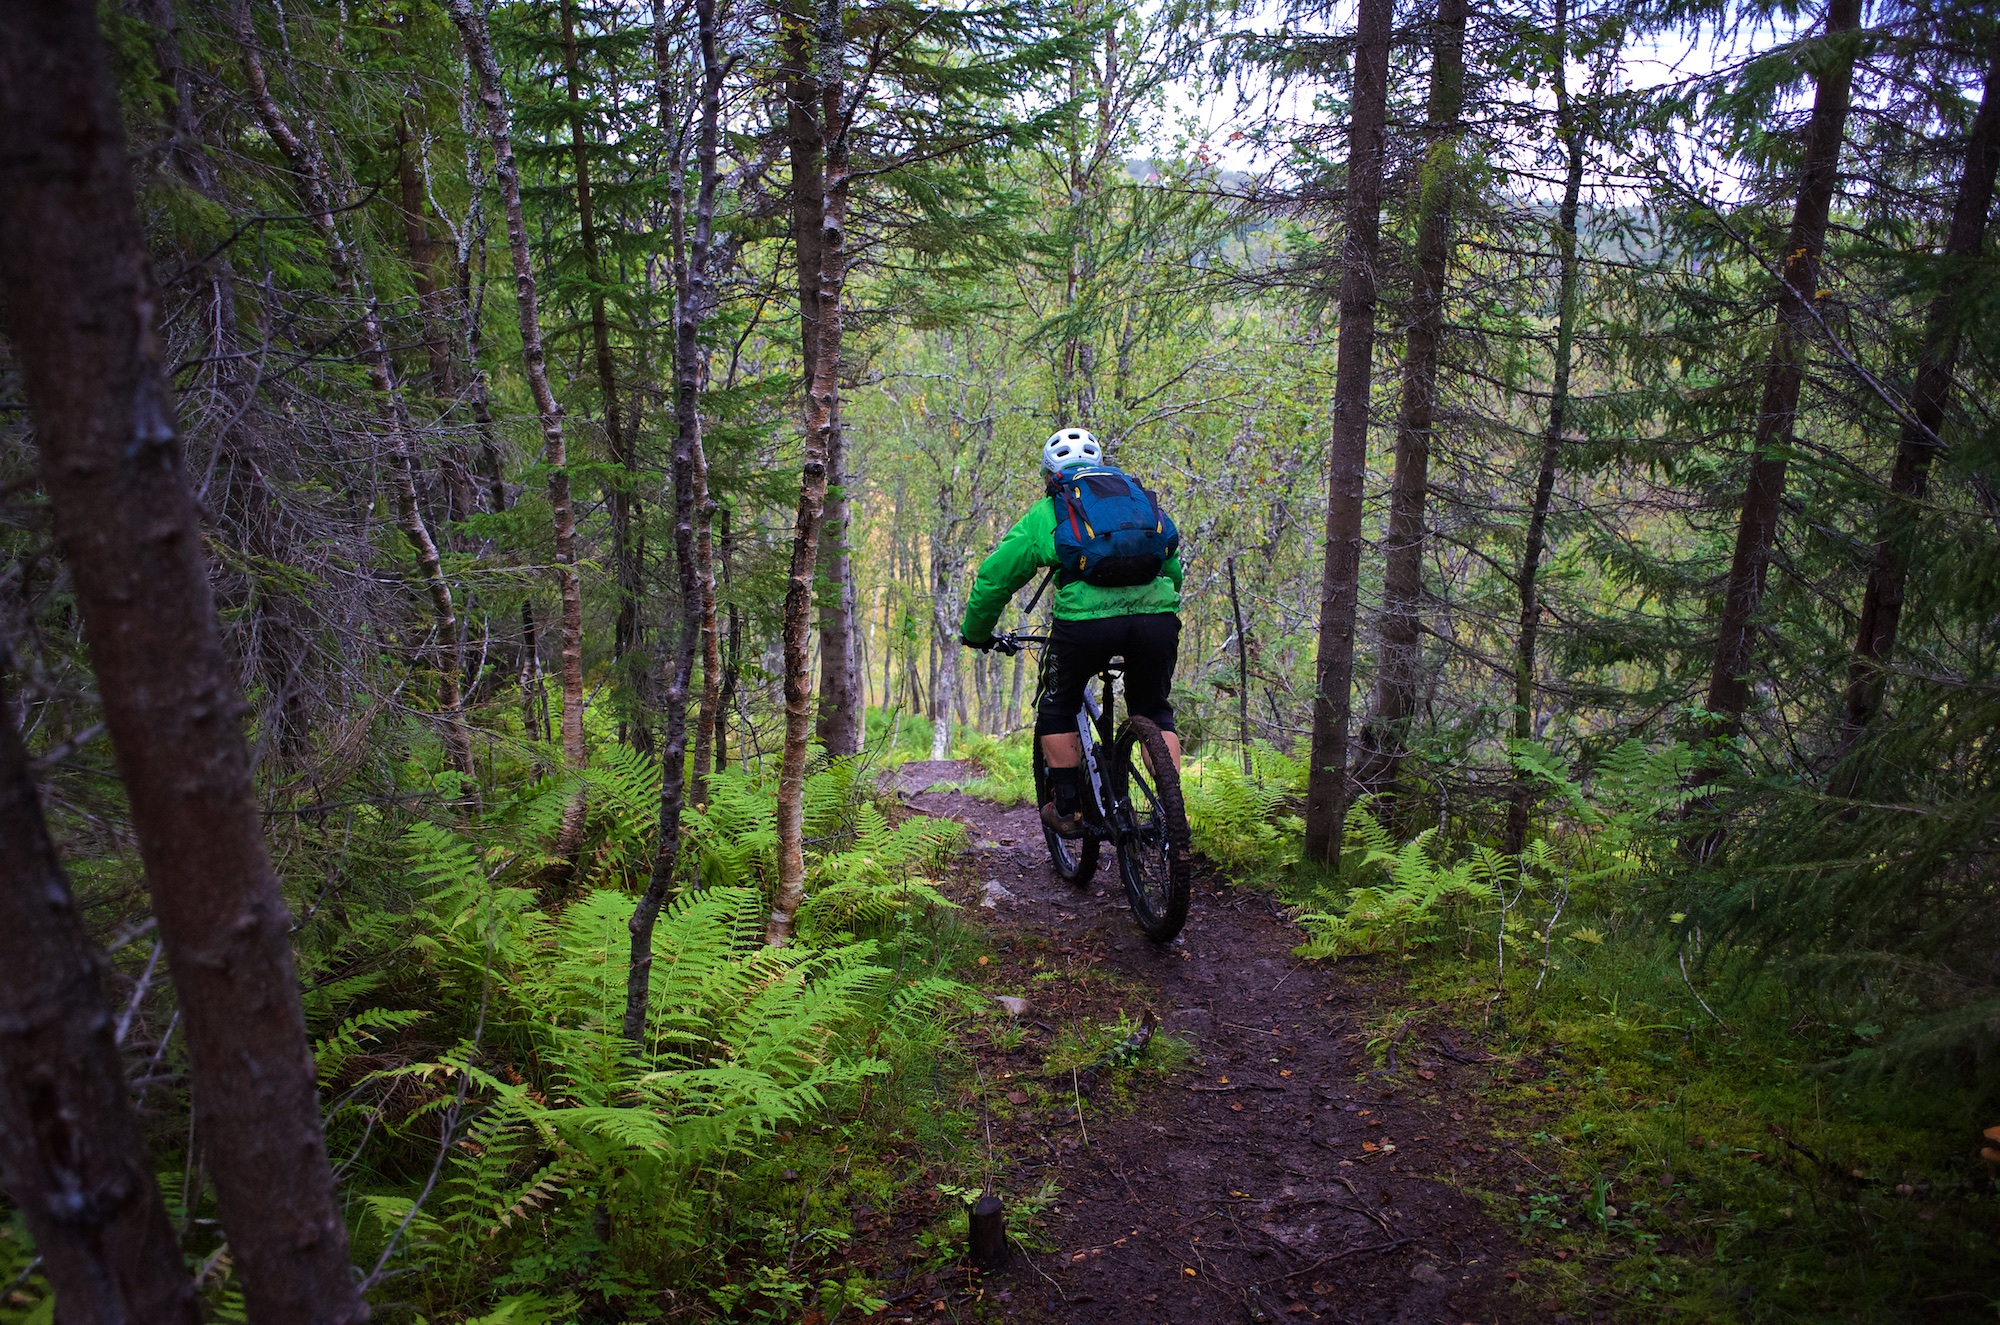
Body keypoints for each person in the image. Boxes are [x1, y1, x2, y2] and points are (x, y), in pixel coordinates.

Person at [959, 427, 1183, 838]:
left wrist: (977, 633)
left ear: (1050, 476)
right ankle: (1172, 810)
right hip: (1157, 620)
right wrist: (1158, 609)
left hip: (1085, 626)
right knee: (1153, 708)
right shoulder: (1136, 500)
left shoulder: (1049, 511)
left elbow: (995, 577)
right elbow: (1171, 564)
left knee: (1058, 704)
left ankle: (1067, 809)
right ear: (1098, 466)